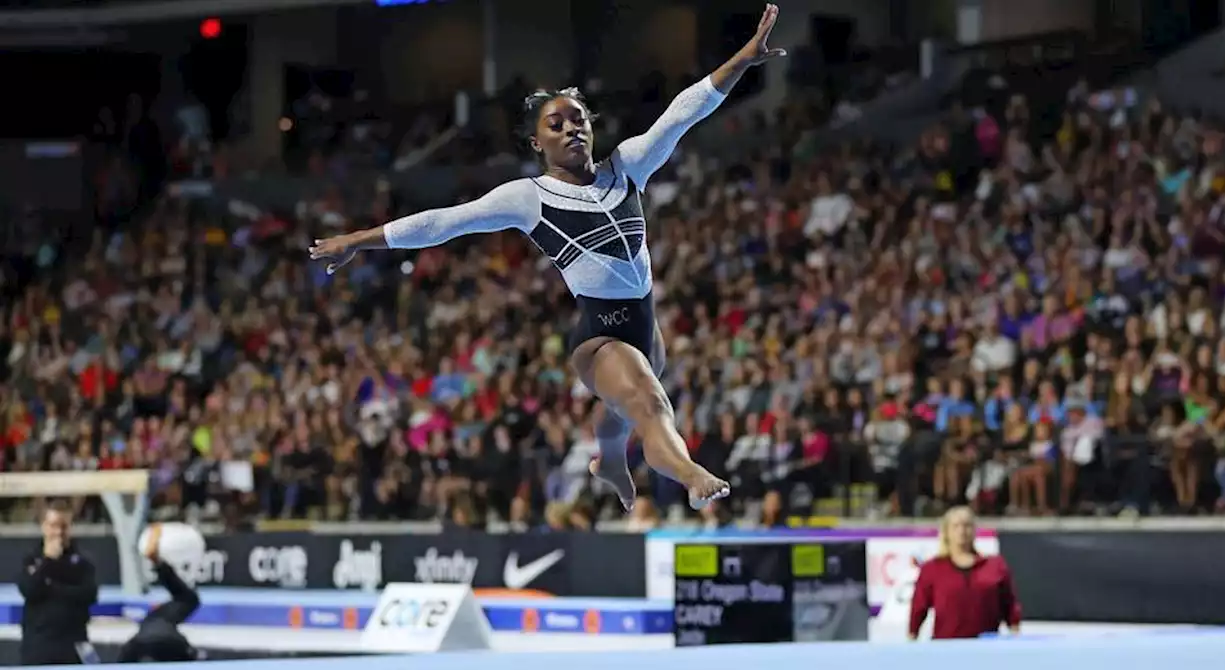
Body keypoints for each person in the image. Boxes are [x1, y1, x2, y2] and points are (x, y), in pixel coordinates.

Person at [310, 4, 788, 513]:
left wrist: (741, 59)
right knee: (648, 402)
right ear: (537, 142)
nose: (571, 130)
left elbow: (682, 113)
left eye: (578, 120)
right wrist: (362, 238)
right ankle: (691, 475)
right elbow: (443, 222)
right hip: (600, 335)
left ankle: (609, 460)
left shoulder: (626, 167)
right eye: (556, 125)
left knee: (624, 408)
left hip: (646, 326)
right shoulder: (528, 198)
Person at [908, 506, 1021, 640]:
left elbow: (1009, 604)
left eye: (967, 525)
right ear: (947, 531)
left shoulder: (995, 566)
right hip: (946, 647)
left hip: (987, 648)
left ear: (974, 530)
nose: (962, 531)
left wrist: (1015, 634)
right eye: (956, 526)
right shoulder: (932, 569)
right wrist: (912, 636)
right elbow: (918, 607)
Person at [17, 502, 99, 666]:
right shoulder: (30, 559)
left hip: (76, 642)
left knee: (94, 663)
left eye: (64, 526)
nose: (59, 532)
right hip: (39, 644)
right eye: (54, 526)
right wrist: (48, 561)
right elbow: (29, 589)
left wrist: (52, 588)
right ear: (43, 527)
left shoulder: (83, 561)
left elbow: (89, 595)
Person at [116, 528, 202, 663]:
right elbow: (188, 597)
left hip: (142, 644)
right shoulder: (161, 616)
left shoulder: (152, 621)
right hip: (169, 641)